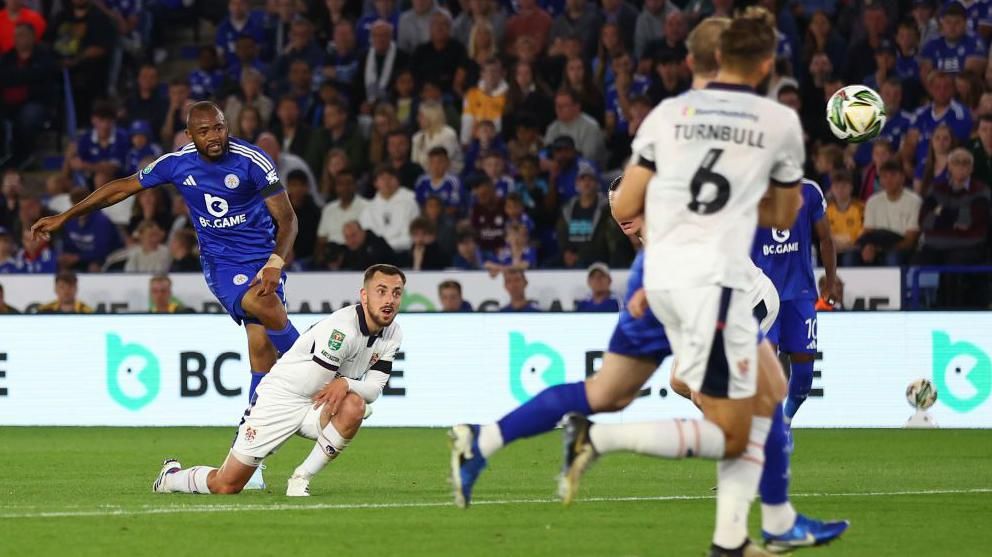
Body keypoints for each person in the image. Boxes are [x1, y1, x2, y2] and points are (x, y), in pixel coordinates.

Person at [603, 10, 842, 554]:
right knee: (703, 387)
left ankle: (751, 502)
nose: (626, 220)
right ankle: (745, 520)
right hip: (718, 293)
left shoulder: (674, 155)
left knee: (745, 393)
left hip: (749, 293)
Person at [32, 101, 300, 490]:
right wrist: (66, 216)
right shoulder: (176, 163)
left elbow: (288, 218)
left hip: (263, 256)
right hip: (223, 264)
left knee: (262, 353)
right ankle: (321, 364)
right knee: (264, 303)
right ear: (190, 135)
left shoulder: (252, 160)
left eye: (220, 128)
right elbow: (121, 188)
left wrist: (275, 261)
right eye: (205, 131)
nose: (215, 137)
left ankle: (249, 459)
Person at [154, 265, 405, 497]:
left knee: (355, 406)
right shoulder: (342, 330)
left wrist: (348, 385)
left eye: (396, 293)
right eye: (381, 291)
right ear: (364, 295)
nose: (389, 300)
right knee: (226, 485)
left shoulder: (393, 334)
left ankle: (300, 479)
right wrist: (344, 385)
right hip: (281, 399)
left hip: (316, 403)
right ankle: (171, 478)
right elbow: (317, 382)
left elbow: (373, 389)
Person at [751, 179, 837, 426]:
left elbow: (826, 239)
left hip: (799, 295)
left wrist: (830, 282)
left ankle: (786, 419)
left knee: (803, 377)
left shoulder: (809, 191)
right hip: (761, 295)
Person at [857, 160, 922, 265]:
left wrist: (880, 249)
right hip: (877, 245)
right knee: (852, 255)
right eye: (884, 176)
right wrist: (868, 247)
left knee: (893, 255)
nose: (888, 180)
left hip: (901, 248)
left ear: (902, 178)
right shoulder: (872, 201)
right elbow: (868, 231)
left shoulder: (914, 201)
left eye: (893, 175)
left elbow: (910, 241)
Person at [360, 167, 420, 254]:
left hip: (403, 252)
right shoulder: (368, 209)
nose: (387, 182)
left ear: (398, 181)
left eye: (390, 178)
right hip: (376, 255)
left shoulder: (411, 202)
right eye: (383, 179)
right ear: (375, 183)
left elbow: (413, 235)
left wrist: (388, 247)